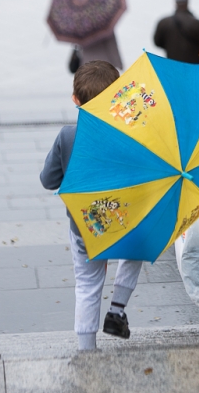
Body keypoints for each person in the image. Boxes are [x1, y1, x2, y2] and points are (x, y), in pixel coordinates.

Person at [40, 60, 142, 351]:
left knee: (86, 284)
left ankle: (87, 350)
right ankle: (117, 310)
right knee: (137, 250)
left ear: (75, 100)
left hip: (87, 225)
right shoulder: (132, 133)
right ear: (118, 95)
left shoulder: (67, 137)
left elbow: (48, 181)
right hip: (124, 221)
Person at [153, 0, 199, 64]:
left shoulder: (163, 22)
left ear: (175, 2)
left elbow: (157, 43)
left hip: (172, 65)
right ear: (187, 2)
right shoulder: (196, 23)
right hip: (193, 67)